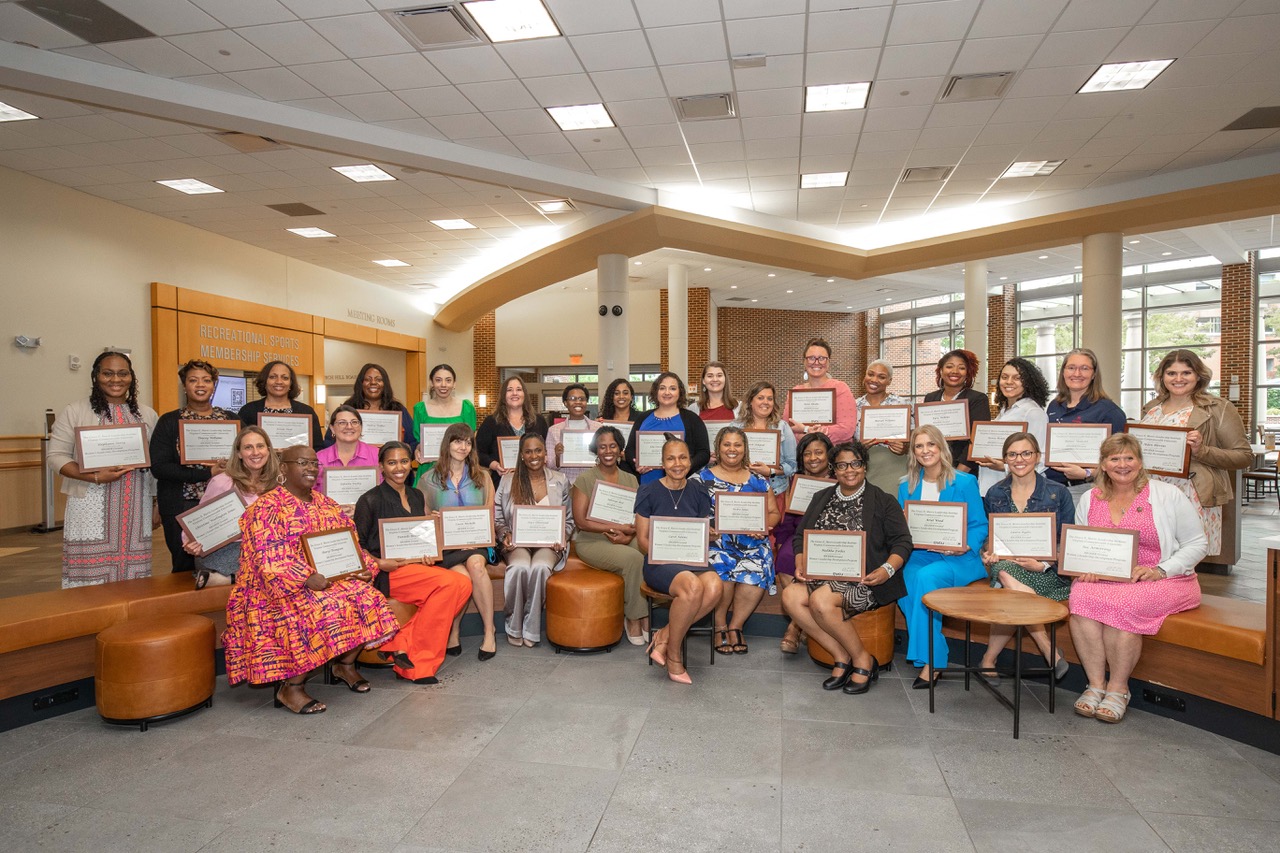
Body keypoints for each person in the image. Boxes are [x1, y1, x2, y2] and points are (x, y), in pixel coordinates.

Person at [223, 444, 401, 715]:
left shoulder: (326, 504)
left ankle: (345, 665)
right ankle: (291, 687)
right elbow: (267, 558)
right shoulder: (266, 508)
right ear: (284, 468)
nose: (310, 468)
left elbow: (349, 543)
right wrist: (305, 577)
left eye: (314, 464)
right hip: (275, 588)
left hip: (327, 580)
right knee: (316, 608)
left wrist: (363, 567)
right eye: (302, 463)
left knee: (367, 597)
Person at [1069, 434, 1207, 723]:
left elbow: (1197, 544)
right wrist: (1086, 567)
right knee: (1079, 596)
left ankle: (1119, 689)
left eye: (1129, 458)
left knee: (1126, 604)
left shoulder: (1166, 495)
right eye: (1114, 458)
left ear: (1140, 462)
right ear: (1103, 465)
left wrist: (1161, 569)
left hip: (1165, 578)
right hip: (1107, 578)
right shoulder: (1090, 498)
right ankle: (1095, 685)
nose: (1122, 464)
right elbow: (1083, 544)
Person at [786, 440, 912, 694]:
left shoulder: (883, 500)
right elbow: (801, 536)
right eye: (841, 465)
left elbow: (903, 542)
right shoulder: (821, 497)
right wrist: (800, 562)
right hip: (821, 575)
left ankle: (863, 659)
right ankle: (842, 655)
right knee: (789, 596)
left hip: (866, 579)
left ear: (864, 466)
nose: (849, 470)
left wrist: (887, 569)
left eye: (855, 463)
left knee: (821, 601)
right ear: (833, 469)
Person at [354, 441, 472, 684]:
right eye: (392, 462)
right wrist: (379, 562)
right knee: (454, 584)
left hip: (416, 568)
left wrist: (427, 552)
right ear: (381, 467)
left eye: (404, 461)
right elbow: (357, 546)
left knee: (462, 585)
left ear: (412, 464)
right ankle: (418, 667)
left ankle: (400, 642)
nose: (399, 467)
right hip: (387, 572)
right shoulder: (369, 500)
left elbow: (420, 535)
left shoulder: (417, 495)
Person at [48, 351, 159, 588]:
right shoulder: (76, 411)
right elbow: (56, 456)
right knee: (90, 572)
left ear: (131, 377)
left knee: (134, 575)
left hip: (136, 507)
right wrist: (95, 476)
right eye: (108, 373)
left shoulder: (147, 414)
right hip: (89, 503)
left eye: (122, 373)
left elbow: (154, 465)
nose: (115, 379)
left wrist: (156, 503)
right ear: (96, 376)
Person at [897, 424, 989, 688]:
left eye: (930, 445)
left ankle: (934, 660)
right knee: (902, 580)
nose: (925, 451)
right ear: (913, 453)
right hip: (921, 554)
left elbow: (979, 525)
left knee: (925, 579)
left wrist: (964, 545)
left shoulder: (964, 481)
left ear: (941, 447)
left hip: (957, 557)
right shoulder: (906, 486)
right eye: (919, 446)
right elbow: (905, 528)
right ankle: (933, 653)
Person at [978, 432, 1075, 678]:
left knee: (1007, 590)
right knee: (1005, 572)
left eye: (1026, 453)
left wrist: (1042, 564)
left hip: (1047, 573)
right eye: (1012, 454)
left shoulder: (1058, 492)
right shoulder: (994, 493)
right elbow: (991, 538)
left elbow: (1066, 542)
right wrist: (987, 552)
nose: (1019, 459)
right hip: (1006, 566)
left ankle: (989, 659)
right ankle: (1048, 649)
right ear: (1005, 459)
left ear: (1038, 457)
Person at [1138, 349, 1251, 558]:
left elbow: (1243, 456)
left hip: (1193, 495)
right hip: (1151, 495)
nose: (1178, 379)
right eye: (1171, 373)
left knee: (1185, 561)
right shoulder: (1151, 408)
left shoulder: (1218, 408)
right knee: (1153, 557)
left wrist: (1202, 450)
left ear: (1198, 375)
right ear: (1162, 377)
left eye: (1186, 373)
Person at [635, 438, 719, 684]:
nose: (677, 463)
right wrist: (665, 551)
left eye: (682, 457)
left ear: (690, 461)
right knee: (692, 586)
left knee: (715, 586)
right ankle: (674, 656)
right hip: (659, 561)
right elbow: (642, 540)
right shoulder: (648, 490)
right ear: (662, 462)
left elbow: (703, 532)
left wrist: (710, 533)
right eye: (671, 458)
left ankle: (664, 635)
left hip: (691, 558)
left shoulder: (699, 490)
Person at [696, 426, 779, 655]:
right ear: (718, 448)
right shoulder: (701, 478)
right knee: (721, 564)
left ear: (745, 449)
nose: (732, 449)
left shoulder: (759, 480)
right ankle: (720, 625)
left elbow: (773, 513)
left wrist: (762, 528)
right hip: (716, 541)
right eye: (726, 444)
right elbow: (690, 513)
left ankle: (736, 626)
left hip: (751, 541)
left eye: (737, 445)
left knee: (758, 565)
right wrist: (707, 527)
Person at [421, 423, 499, 661]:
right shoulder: (428, 479)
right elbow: (421, 519)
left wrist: (473, 538)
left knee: (475, 565)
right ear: (447, 443)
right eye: (457, 441)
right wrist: (432, 519)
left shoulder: (483, 477)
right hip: (446, 546)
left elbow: (489, 515)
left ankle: (489, 631)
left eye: (467, 442)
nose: (462, 447)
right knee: (461, 577)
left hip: (478, 543)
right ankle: (454, 629)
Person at [494, 433, 574, 647]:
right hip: (517, 543)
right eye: (528, 451)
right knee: (519, 567)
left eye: (538, 450)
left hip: (549, 545)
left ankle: (531, 627)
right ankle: (513, 624)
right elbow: (498, 517)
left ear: (545, 453)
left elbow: (569, 519)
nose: (534, 456)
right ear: (521, 455)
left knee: (540, 568)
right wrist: (504, 534)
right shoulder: (508, 480)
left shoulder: (560, 480)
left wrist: (562, 536)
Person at [151, 359, 230, 574]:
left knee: (225, 563)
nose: (200, 385)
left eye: (206, 380)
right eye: (193, 380)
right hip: (181, 505)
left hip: (225, 504)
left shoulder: (232, 420)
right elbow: (159, 467)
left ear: (214, 384)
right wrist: (207, 473)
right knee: (184, 564)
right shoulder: (169, 422)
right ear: (184, 385)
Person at [571, 425, 648, 644]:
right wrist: (615, 529)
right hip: (592, 541)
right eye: (602, 446)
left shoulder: (631, 480)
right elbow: (581, 521)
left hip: (624, 537)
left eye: (612, 445)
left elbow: (636, 518)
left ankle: (642, 612)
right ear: (595, 449)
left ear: (620, 449)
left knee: (645, 553)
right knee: (633, 558)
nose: (607, 451)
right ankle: (636, 617)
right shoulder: (584, 479)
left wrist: (629, 533)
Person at [182, 426, 279, 589]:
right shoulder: (223, 482)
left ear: (268, 450)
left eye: (260, 446)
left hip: (265, 548)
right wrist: (191, 542)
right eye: (248, 447)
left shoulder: (279, 483)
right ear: (239, 453)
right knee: (272, 561)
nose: (256, 452)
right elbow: (198, 522)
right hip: (226, 550)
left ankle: (227, 580)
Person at [775, 432, 835, 654]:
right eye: (807, 453)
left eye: (819, 452)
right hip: (800, 534)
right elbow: (789, 518)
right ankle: (801, 623)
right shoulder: (796, 481)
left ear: (829, 455)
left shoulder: (841, 479)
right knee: (785, 557)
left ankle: (795, 626)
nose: (813, 458)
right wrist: (781, 541)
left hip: (830, 538)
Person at [1044, 348, 1128, 497]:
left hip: (1088, 489)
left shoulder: (1108, 411)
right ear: (1063, 372)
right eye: (1071, 368)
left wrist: (1087, 473)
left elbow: (1121, 460)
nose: (1077, 374)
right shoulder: (1054, 406)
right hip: (1051, 488)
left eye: (1084, 368)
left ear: (1094, 374)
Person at [973, 357, 1050, 496]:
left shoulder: (1033, 412)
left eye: (1017, 378)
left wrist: (1005, 467)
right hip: (992, 489)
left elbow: (1042, 458)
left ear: (1028, 382)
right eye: (1004, 377)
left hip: (1017, 492)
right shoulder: (1004, 410)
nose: (1009, 382)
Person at [624, 371, 710, 485]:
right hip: (647, 483)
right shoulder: (643, 418)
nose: (667, 392)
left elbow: (704, 453)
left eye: (673, 388)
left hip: (681, 484)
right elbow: (630, 449)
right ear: (656, 392)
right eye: (662, 388)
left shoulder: (692, 419)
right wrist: (636, 463)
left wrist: (686, 466)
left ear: (680, 392)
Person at [921, 349, 991, 475]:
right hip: (932, 467)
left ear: (968, 373)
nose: (955, 371)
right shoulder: (930, 398)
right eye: (949, 367)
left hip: (963, 470)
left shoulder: (977, 399)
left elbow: (977, 440)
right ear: (941, 371)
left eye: (961, 368)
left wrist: (959, 474)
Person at [411, 363, 477, 487]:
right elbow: (418, 440)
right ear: (431, 383)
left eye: (448, 380)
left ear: (454, 384)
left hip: (459, 469)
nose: (443, 385)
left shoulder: (466, 408)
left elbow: (471, 441)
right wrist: (418, 450)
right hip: (429, 468)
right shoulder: (420, 409)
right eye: (438, 380)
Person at [477, 376, 550, 487]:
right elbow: (478, 452)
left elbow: (547, 448)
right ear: (503, 395)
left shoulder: (539, 421)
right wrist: (495, 465)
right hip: (503, 482)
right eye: (509, 390)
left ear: (524, 394)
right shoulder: (491, 422)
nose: (514, 393)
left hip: (535, 483)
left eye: (519, 389)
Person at [329, 363, 416, 455]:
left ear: (385, 384)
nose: (373, 383)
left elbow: (413, 442)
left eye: (379, 379)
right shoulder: (348, 408)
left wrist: (404, 450)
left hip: (391, 465)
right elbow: (329, 441)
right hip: (354, 465)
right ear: (361, 383)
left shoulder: (398, 409)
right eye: (367, 379)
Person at [783, 337, 857, 444]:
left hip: (834, 454)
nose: (816, 362)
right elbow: (787, 428)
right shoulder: (796, 392)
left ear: (828, 362)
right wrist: (806, 433)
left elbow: (847, 429)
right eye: (811, 358)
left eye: (822, 358)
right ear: (804, 361)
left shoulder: (841, 388)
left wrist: (807, 431)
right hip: (803, 454)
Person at [733, 380, 797, 501]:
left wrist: (770, 471)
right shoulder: (735, 427)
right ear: (750, 401)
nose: (765, 402)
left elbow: (792, 465)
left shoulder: (782, 427)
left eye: (770, 399)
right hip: (741, 487)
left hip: (775, 489)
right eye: (760, 398)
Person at [237, 360, 323, 449]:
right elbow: (239, 446)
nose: (279, 381)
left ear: (291, 383)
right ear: (264, 381)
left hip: (298, 462)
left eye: (285, 378)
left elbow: (317, 448)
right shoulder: (248, 411)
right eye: (273, 377)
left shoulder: (306, 411)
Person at [856, 360, 910, 495]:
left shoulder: (902, 404)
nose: (874, 380)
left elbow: (915, 438)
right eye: (871, 374)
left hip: (895, 466)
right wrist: (858, 447)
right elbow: (847, 441)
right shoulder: (854, 405)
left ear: (889, 381)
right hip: (865, 467)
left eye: (881, 377)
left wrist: (905, 447)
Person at [315, 406, 379, 498]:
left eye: (354, 422)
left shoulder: (377, 455)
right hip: (327, 511)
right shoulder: (318, 458)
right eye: (342, 423)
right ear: (332, 428)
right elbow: (311, 494)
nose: (349, 427)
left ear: (360, 427)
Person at [545, 383, 599, 486]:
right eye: (573, 399)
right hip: (565, 485)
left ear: (586, 402)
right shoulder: (554, 430)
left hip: (592, 484)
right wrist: (557, 456)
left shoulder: (598, 429)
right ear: (565, 403)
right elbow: (550, 466)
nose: (578, 402)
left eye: (581, 399)